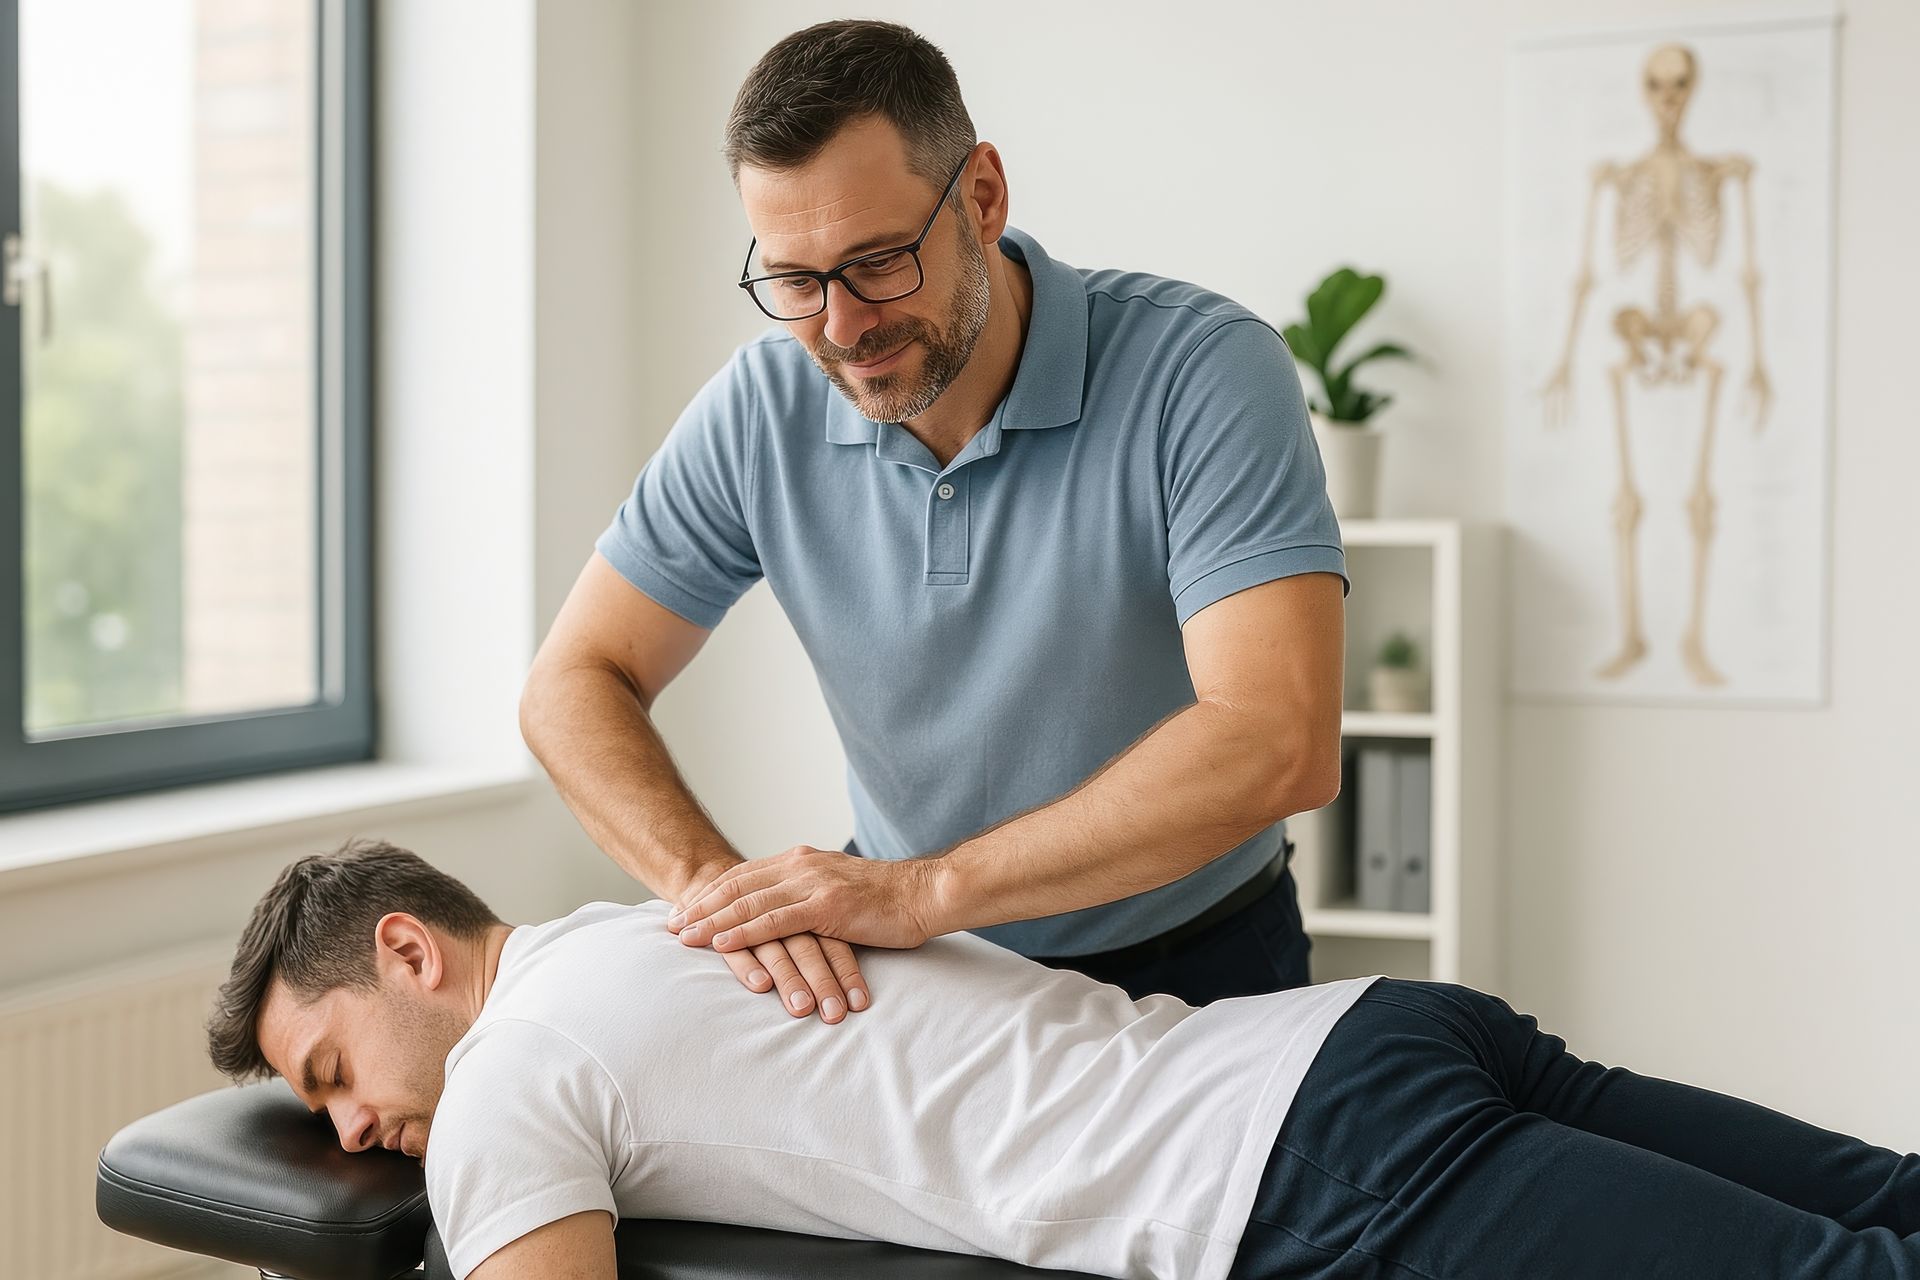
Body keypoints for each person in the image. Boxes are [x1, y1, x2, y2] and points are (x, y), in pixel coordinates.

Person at [518, 17, 1347, 1024]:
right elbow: (573, 679)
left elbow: (1277, 737)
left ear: (983, 197)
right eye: (795, 280)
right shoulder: (761, 407)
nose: (841, 327)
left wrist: (924, 891)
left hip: (1201, 963)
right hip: (921, 973)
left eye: (877, 261)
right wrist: (718, 894)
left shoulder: (1204, 370)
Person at [209, 840, 1920, 1280]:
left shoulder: (508, 1080)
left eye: (331, 1070)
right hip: (1375, 1036)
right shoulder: (660, 922)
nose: (351, 1132)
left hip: (1305, 1169)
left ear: (410, 952)